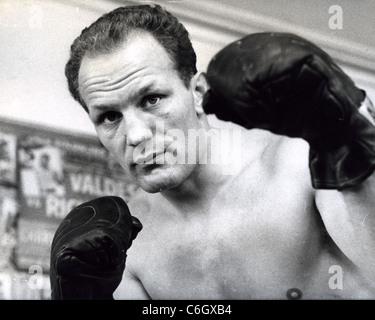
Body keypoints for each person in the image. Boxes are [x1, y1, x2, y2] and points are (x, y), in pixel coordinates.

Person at [50, 4, 375, 300]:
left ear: (198, 93)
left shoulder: (300, 168)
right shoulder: (127, 247)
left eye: (152, 99)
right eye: (109, 117)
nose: (135, 135)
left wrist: (352, 145)